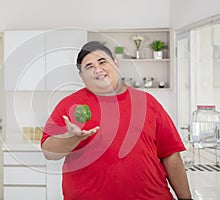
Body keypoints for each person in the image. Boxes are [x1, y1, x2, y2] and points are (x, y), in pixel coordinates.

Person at [40, 41, 192, 200]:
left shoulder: (147, 102)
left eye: (102, 61)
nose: (97, 69)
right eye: (89, 66)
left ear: (116, 63)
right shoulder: (69, 105)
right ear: (81, 75)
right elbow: (49, 152)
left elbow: (171, 154)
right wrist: (73, 138)